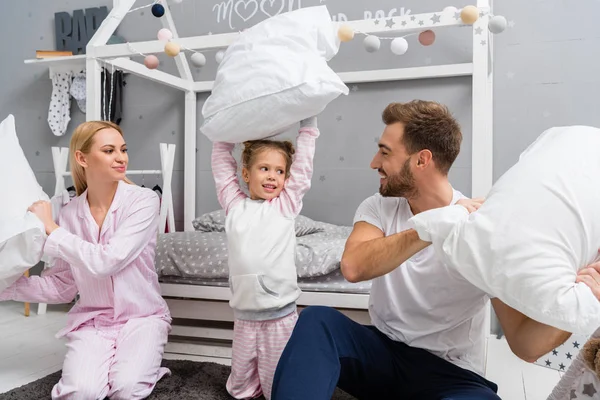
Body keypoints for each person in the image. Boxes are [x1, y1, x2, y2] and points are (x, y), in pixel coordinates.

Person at [271, 101, 574, 400]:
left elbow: (525, 344)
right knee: (317, 321)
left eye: (385, 152)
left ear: (421, 160)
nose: (374, 162)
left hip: (450, 376)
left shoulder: (479, 227)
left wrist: (581, 303)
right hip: (383, 356)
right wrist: (432, 226)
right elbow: (354, 266)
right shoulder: (378, 206)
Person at [0, 121, 171, 400]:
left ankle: (142, 367)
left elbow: (108, 261)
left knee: (126, 390)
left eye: (123, 149)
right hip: (94, 322)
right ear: (82, 158)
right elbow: (63, 286)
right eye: (109, 150)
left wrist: (51, 229)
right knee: (80, 392)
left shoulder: (144, 201)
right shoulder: (69, 214)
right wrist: (7, 286)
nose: (121, 157)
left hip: (142, 318)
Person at [211, 117, 320, 400]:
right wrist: (223, 135)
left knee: (280, 386)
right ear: (246, 174)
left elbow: (303, 169)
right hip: (244, 314)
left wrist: (308, 126)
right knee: (240, 388)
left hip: (278, 315)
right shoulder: (235, 206)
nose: (272, 176)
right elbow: (223, 170)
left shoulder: (285, 206)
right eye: (264, 169)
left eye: (279, 171)